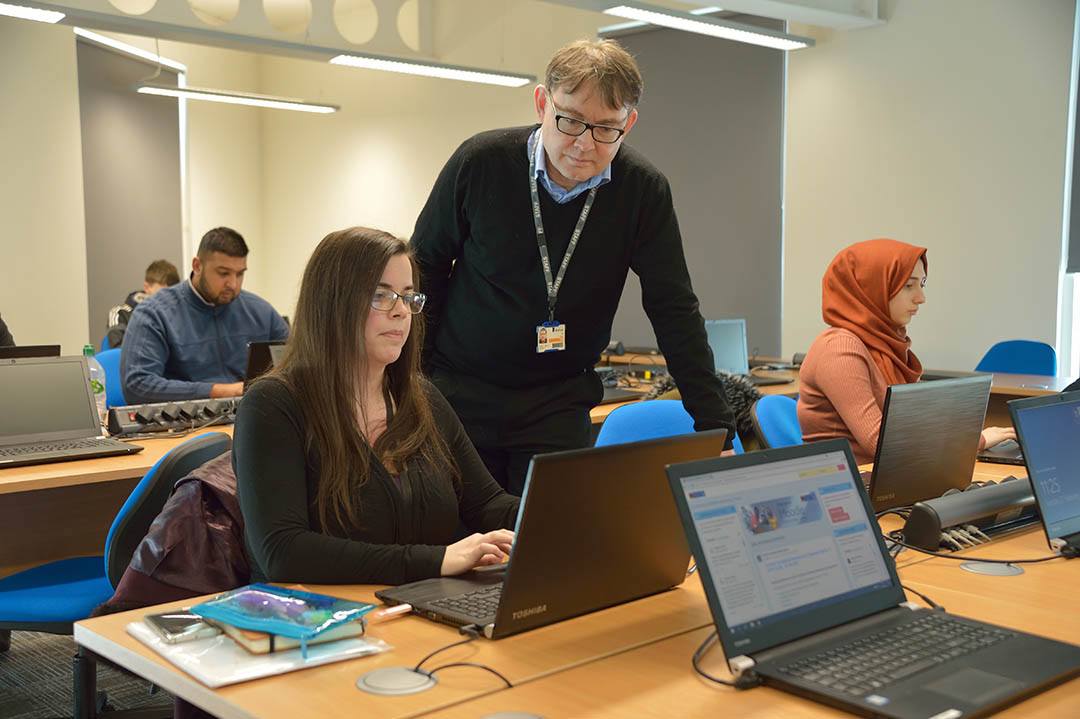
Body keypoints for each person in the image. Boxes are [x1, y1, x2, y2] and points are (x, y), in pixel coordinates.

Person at [411, 38, 736, 494]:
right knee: (467, 530)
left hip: (557, 404)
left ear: (629, 123)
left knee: (549, 531)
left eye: (606, 129)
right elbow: (422, 271)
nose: (584, 144)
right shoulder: (481, 162)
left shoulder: (642, 191)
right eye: (570, 121)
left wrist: (716, 428)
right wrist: (414, 382)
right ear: (542, 103)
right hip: (461, 394)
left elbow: (673, 307)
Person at [232, 227, 518, 585]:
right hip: (321, 613)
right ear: (333, 303)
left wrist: (559, 513)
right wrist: (436, 560)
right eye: (381, 296)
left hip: (416, 602)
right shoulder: (273, 405)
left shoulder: (421, 398)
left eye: (408, 297)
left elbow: (487, 504)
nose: (401, 312)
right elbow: (283, 552)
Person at [797, 239, 1016, 464]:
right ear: (871, 288)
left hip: (891, 475)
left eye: (922, 284)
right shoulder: (839, 348)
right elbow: (882, 444)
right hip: (850, 481)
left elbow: (915, 425)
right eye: (908, 286)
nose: (921, 298)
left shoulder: (885, 345)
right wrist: (976, 441)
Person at [121, 227, 288, 405]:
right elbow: (137, 385)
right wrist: (221, 391)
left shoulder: (260, 312)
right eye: (223, 273)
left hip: (250, 412)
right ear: (197, 266)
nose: (233, 284)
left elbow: (298, 364)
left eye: (240, 274)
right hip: (184, 419)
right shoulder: (154, 314)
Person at [106, 259, 181, 348]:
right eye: (162, 294)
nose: (166, 300)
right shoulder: (120, 314)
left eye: (171, 294)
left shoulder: (180, 314)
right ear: (147, 287)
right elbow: (120, 349)